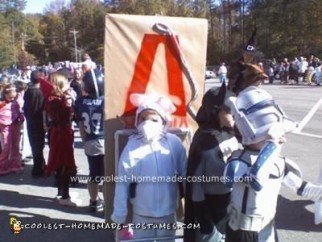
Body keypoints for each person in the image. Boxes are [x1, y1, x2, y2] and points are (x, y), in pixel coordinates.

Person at [224, 85, 322, 242]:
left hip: (267, 230)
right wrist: (271, 144)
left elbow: (304, 189)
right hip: (242, 232)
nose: (282, 138)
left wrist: (319, 192)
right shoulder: (237, 161)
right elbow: (256, 181)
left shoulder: (279, 162)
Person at [111, 93, 187, 241]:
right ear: (137, 121)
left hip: (168, 211)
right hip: (141, 213)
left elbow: (185, 174)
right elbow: (122, 182)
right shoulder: (132, 145)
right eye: (143, 118)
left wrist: (192, 205)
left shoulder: (174, 143)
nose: (147, 123)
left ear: (163, 121)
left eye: (154, 119)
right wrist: (120, 214)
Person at [184, 83, 239, 242]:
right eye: (229, 111)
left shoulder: (230, 134)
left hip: (229, 203)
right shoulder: (204, 141)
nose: (234, 115)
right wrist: (202, 217)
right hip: (208, 206)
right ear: (216, 111)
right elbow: (196, 183)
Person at [45, 72, 79, 206]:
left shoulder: (52, 98)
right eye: (65, 82)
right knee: (65, 162)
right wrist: (70, 102)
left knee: (59, 162)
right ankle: (65, 196)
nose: (68, 85)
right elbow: (67, 115)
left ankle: (60, 192)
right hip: (62, 131)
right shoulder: (58, 100)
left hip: (57, 131)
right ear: (59, 84)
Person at [75, 69, 105, 212]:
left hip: (90, 140)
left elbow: (81, 124)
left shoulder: (80, 101)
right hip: (105, 140)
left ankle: (94, 201)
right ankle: (110, 202)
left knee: (93, 174)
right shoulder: (106, 101)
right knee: (108, 175)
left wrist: (84, 140)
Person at [23, 70, 46, 178]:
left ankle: (41, 165)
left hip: (31, 121)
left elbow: (25, 107)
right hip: (40, 121)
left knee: (35, 145)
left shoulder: (28, 91)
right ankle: (38, 169)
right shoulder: (42, 92)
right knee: (39, 145)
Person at [0, 83, 24, 175]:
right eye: (10, 97)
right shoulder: (1, 104)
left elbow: (18, 111)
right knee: (6, 147)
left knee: (15, 146)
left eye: (13, 98)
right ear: (5, 95)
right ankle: (2, 167)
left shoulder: (15, 102)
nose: (12, 99)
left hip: (15, 124)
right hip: (5, 126)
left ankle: (15, 165)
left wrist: (21, 117)